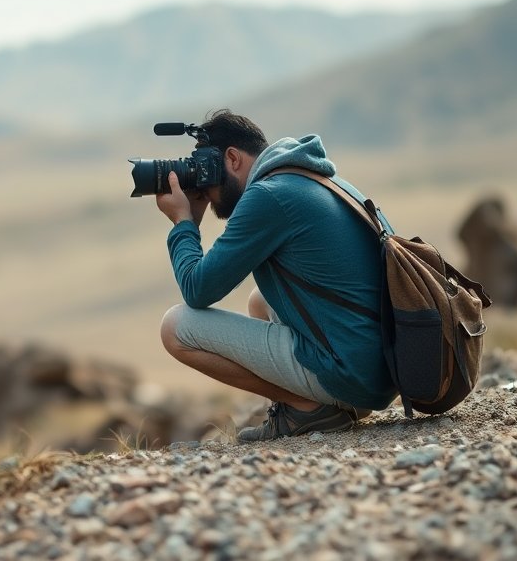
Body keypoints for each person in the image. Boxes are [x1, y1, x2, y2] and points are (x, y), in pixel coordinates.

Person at [153, 109, 396, 439]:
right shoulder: (309, 176)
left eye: (207, 169)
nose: (205, 188)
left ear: (233, 158)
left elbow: (198, 289)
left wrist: (184, 223)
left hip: (352, 374)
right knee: (260, 300)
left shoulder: (267, 196)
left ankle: (308, 409)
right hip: (379, 370)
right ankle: (322, 407)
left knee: (176, 327)